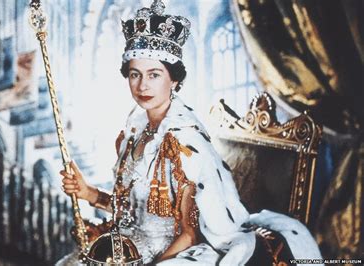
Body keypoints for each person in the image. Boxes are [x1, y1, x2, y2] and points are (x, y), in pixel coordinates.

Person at [58, 0, 322, 265]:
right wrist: (89, 192)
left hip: (174, 253)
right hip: (131, 247)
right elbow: (129, 212)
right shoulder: (135, 132)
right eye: (135, 74)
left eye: (154, 75)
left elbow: (190, 234)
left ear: (174, 80)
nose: (142, 86)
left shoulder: (185, 143)